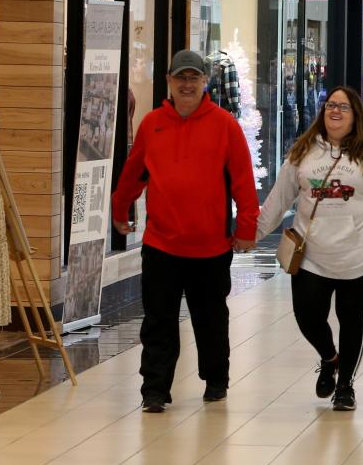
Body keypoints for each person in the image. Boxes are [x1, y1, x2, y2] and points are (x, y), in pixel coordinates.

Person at [111, 50, 259, 413]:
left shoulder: (224, 124)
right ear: (169, 82)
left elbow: (243, 181)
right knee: (158, 321)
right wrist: (119, 208)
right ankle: (155, 389)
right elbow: (133, 173)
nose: (187, 84)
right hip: (161, 243)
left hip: (210, 247)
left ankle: (216, 379)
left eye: (194, 78)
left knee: (210, 319)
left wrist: (246, 229)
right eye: (181, 78)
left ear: (204, 82)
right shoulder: (152, 123)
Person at [256, 86, 363, 411]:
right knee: (307, 316)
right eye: (330, 106)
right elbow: (278, 200)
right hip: (311, 256)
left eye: (343, 107)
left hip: (362, 255)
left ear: (357, 116)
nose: (335, 111)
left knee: (350, 319)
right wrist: (249, 235)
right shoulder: (303, 153)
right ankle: (329, 356)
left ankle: (345, 385)